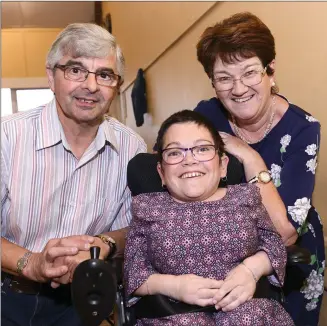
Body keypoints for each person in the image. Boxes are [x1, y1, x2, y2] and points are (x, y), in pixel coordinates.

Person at [1, 23, 146, 325]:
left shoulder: (132, 147)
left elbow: (136, 227)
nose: (91, 86)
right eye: (75, 70)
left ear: (116, 85)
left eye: (104, 75)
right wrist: (32, 263)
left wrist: (104, 243)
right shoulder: (6, 137)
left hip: (83, 304)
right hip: (8, 298)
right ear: (51, 77)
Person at [194, 12, 325, 325]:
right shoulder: (205, 116)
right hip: (222, 258)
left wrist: (249, 157)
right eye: (224, 78)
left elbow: (286, 231)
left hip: (290, 266)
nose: (238, 89)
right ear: (213, 82)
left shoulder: (302, 129)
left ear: (270, 70)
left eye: (250, 73)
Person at [124, 110, 294, 325]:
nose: (189, 161)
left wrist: (251, 269)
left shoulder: (246, 197)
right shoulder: (148, 207)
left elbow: (275, 246)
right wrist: (173, 286)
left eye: (202, 149)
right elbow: (133, 273)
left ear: (223, 166)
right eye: (175, 153)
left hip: (251, 314)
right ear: (161, 172)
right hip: (174, 317)